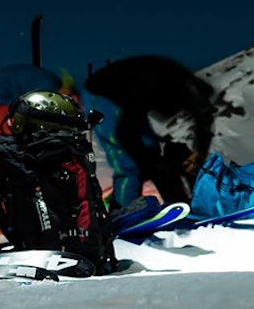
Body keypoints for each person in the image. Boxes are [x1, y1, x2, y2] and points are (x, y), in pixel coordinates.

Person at [82, 56, 215, 208]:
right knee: (129, 163)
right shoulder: (153, 87)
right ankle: (125, 211)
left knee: (155, 156)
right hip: (102, 95)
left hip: (128, 96)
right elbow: (125, 134)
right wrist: (150, 163)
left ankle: (179, 204)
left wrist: (197, 157)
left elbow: (204, 125)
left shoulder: (192, 93)